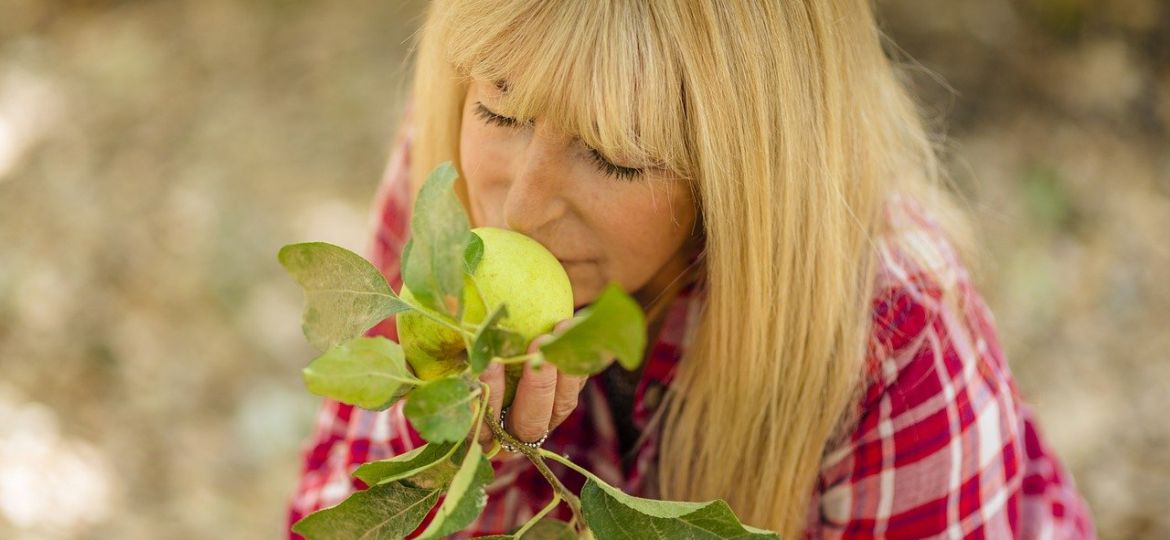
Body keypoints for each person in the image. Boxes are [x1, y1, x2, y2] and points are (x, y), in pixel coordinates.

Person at [287, 1, 1095, 538]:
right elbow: (326, 510)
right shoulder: (453, 186)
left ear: (743, 175)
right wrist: (451, 453)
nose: (522, 210)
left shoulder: (896, 337)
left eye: (613, 155)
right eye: (500, 109)